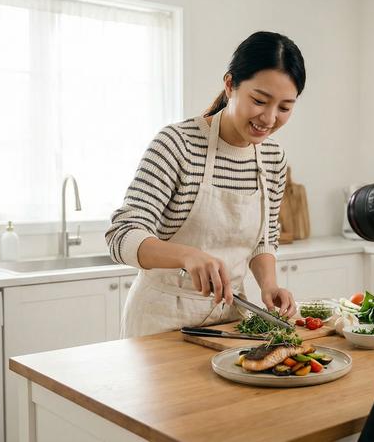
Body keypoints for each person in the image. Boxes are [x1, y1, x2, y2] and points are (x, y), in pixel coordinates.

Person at [106, 31, 306, 337]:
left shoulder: (272, 157)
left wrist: (269, 285)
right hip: (160, 323)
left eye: (284, 107)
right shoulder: (177, 144)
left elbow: (264, 239)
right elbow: (121, 236)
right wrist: (188, 255)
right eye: (259, 100)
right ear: (230, 85)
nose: (268, 118)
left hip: (228, 321)